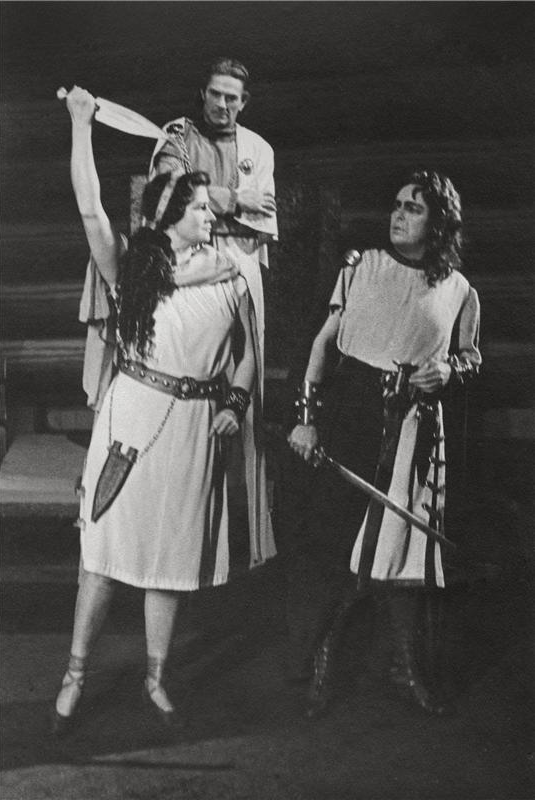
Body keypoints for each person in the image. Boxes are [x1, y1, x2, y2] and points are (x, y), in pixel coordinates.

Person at [51, 86, 275, 735]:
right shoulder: (132, 269)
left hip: (193, 427)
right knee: (104, 553)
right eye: (200, 207)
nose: (210, 215)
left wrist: (235, 401)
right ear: (172, 213)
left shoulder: (233, 275)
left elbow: (248, 354)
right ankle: (74, 675)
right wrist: (81, 126)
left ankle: (155, 677)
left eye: (209, 206)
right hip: (132, 419)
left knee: (169, 560)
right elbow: (89, 206)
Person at [281, 169, 481, 718]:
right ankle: (318, 669)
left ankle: (404, 667)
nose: (398, 215)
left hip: (414, 426)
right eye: (396, 204)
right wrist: (306, 420)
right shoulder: (360, 266)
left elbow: (470, 356)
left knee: (401, 548)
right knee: (332, 542)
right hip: (351, 413)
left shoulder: (460, 291)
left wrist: (448, 371)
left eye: (413, 208)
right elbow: (321, 347)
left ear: (439, 223)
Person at [148, 57, 278, 389]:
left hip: (239, 255)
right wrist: (235, 199)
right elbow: (170, 190)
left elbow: (261, 217)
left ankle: (239, 420)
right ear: (203, 93)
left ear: (243, 102)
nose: (222, 104)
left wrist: (209, 202)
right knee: (191, 349)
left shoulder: (258, 149)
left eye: (231, 97)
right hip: (185, 256)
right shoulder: (178, 135)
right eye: (215, 94)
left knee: (244, 352)